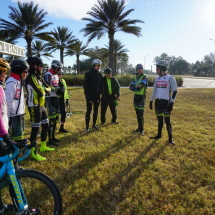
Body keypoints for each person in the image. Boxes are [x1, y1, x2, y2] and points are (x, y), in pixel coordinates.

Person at [0, 58, 40, 215]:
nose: (4, 74)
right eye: (3, 72)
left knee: (9, 167)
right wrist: (7, 134)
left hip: (4, 130)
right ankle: (20, 209)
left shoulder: (8, 84)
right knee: (12, 167)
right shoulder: (9, 84)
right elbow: (6, 108)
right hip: (3, 131)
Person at [25, 56, 54, 162]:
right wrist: (45, 90)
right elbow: (41, 92)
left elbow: (49, 89)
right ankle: (33, 153)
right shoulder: (31, 77)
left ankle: (43, 146)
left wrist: (45, 89)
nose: (42, 68)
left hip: (42, 106)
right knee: (35, 130)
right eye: (41, 66)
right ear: (35, 66)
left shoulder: (39, 78)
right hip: (34, 107)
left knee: (46, 125)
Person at [149, 60, 177, 145]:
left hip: (166, 103)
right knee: (160, 121)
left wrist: (172, 103)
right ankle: (159, 135)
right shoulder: (157, 78)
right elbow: (154, 90)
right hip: (158, 102)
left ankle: (170, 139)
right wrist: (151, 101)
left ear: (162, 69)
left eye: (157, 68)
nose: (156, 70)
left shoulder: (170, 78)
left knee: (167, 121)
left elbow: (175, 91)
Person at [5, 59, 29, 143]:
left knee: (19, 140)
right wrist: (6, 121)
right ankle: (14, 156)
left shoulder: (18, 81)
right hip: (13, 117)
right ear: (19, 71)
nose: (27, 73)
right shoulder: (11, 83)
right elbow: (7, 103)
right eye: (25, 71)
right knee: (16, 142)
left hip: (19, 114)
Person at [44, 60, 65, 146]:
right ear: (54, 67)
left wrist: (62, 88)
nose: (59, 70)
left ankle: (53, 137)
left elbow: (60, 84)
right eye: (58, 69)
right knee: (51, 120)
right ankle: (50, 139)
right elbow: (47, 87)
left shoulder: (56, 75)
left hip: (56, 98)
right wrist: (57, 90)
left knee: (56, 119)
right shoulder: (48, 75)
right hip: (49, 99)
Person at [84, 59, 103, 132]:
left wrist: (101, 93)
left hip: (97, 96)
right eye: (98, 65)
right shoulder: (88, 74)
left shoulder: (100, 74)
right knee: (89, 111)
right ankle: (87, 127)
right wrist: (87, 95)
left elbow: (101, 85)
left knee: (96, 110)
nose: (99, 67)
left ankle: (94, 124)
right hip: (90, 96)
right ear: (94, 66)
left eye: (100, 66)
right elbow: (85, 86)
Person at [129, 64, 148, 136]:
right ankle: (139, 128)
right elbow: (130, 86)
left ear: (142, 69)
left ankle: (142, 130)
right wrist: (135, 87)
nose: (140, 70)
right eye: (138, 69)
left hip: (142, 97)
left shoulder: (145, 77)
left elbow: (141, 85)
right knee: (137, 114)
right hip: (136, 97)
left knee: (141, 114)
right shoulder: (135, 77)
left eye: (141, 69)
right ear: (136, 70)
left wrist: (134, 87)